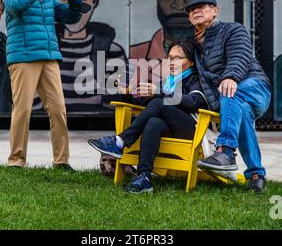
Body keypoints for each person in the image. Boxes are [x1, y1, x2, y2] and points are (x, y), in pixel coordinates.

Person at [87, 41, 208, 193]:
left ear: (190, 62)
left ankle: (120, 141)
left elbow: (194, 102)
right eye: (169, 58)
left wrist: (159, 92)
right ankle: (144, 177)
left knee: (158, 102)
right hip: (168, 128)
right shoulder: (165, 83)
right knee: (153, 122)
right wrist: (126, 94)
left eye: (178, 58)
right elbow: (142, 105)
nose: (172, 62)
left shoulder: (195, 80)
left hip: (192, 129)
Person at [184, 0, 271, 193]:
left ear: (215, 10)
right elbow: (179, 66)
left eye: (202, 6)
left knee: (229, 90)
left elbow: (240, 55)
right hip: (232, 98)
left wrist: (231, 76)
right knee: (240, 116)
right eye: (191, 9)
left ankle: (225, 151)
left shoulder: (232, 29)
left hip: (255, 87)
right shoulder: (194, 47)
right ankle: (257, 177)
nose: (196, 10)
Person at [4, 0, 83, 170]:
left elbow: (70, 17)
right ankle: (16, 161)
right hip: (24, 57)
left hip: (49, 57)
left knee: (58, 109)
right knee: (22, 109)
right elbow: (16, 6)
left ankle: (62, 161)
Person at [54, 0, 127, 113]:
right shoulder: (44, 47)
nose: (71, 0)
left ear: (94, 0)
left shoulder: (111, 51)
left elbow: (115, 101)